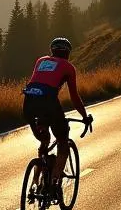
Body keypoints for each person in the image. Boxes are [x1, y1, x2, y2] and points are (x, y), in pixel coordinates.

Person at [22, 37, 92, 200]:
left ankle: (36, 183)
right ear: (67, 53)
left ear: (52, 51)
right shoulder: (68, 67)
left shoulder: (41, 61)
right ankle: (53, 184)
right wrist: (84, 116)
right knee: (62, 142)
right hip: (48, 104)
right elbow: (74, 96)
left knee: (44, 141)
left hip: (29, 104)